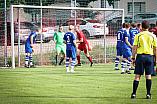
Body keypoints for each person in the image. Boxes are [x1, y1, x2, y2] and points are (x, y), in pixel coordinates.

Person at [130, 20, 157, 99]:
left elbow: (134, 48)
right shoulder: (153, 36)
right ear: (149, 27)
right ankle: (148, 94)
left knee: (137, 76)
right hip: (149, 57)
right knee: (148, 76)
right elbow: (155, 49)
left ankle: (134, 94)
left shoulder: (138, 35)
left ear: (141, 27)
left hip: (140, 56)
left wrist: (133, 58)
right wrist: (156, 60)